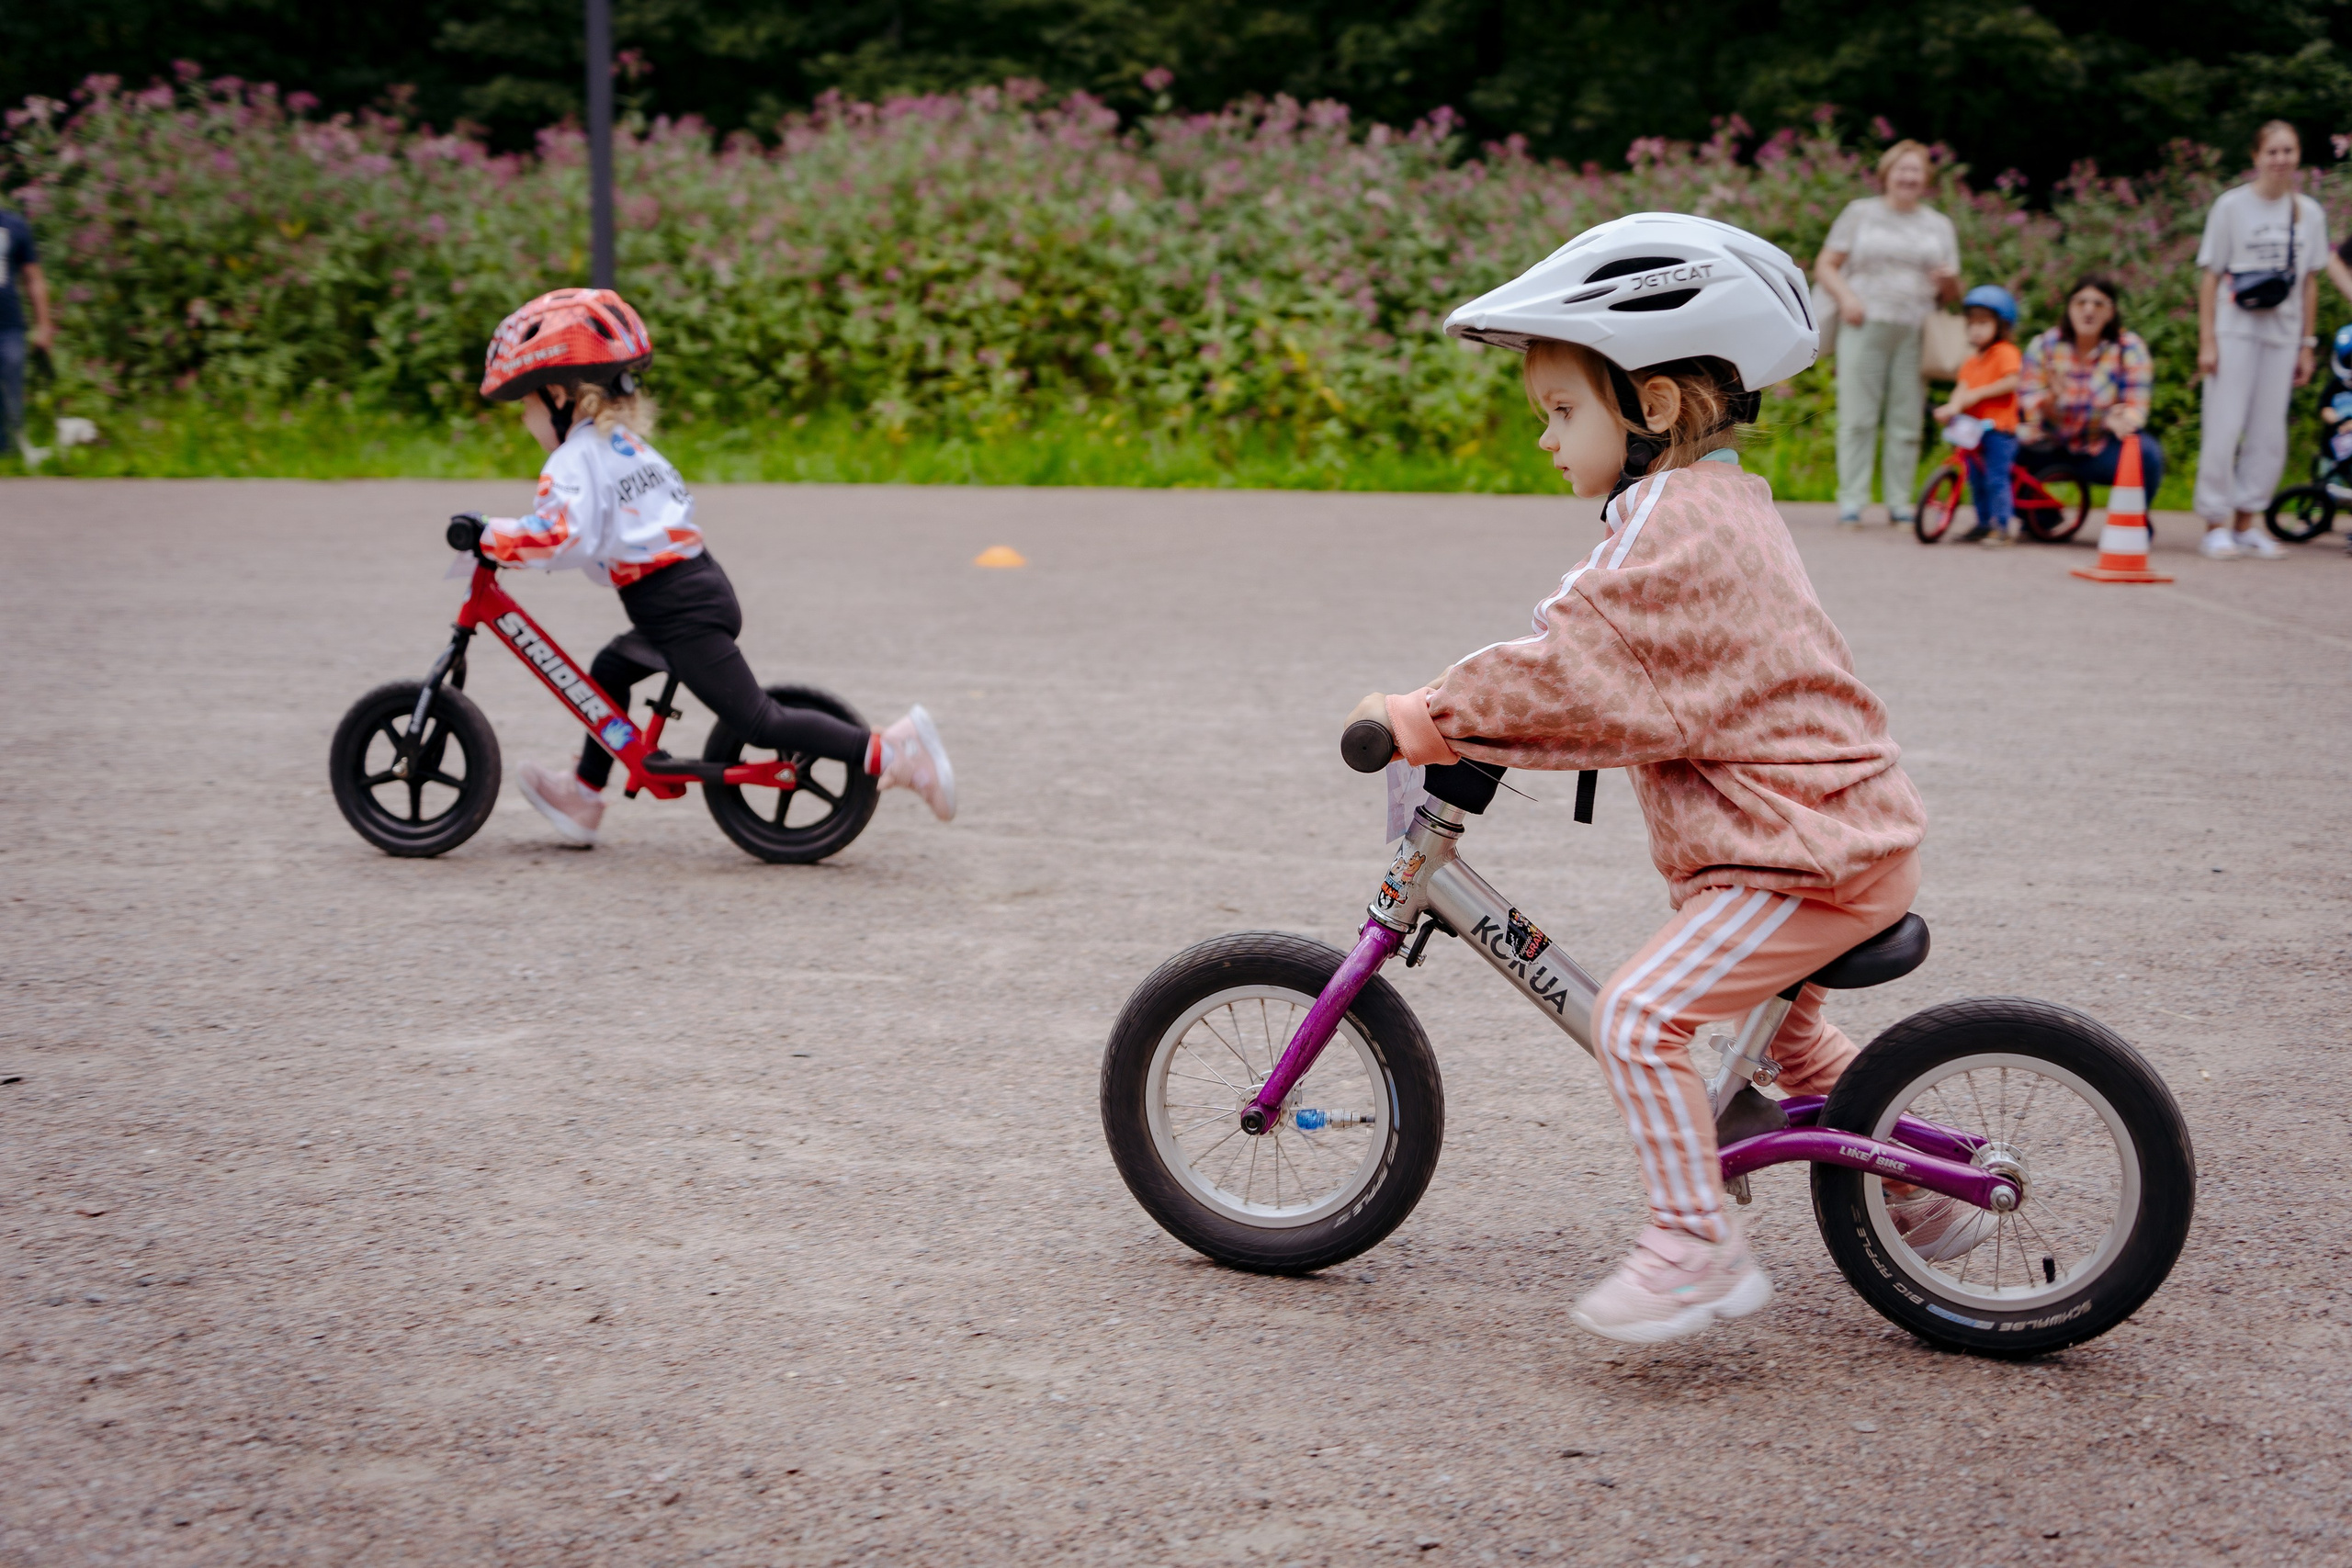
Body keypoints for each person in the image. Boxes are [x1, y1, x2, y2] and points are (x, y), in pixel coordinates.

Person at [1385, 212, 1931, 1345]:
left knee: (1638, 1019)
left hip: (1800, 855)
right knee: (1790, 1046)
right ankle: (1920, 1194)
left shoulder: (1669, 526)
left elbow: (1578, 660)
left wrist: (1422, 716)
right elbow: (1611, 662)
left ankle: (1691, 1245)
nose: (1545, 438)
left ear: (1657, 407)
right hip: (1816, 831)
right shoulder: (1705, 506)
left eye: (1561, 411)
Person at [461, 287, 956, 845]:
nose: (527, 421)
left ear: (557, 394)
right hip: (691, 589)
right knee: (611, 671)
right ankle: (584, 796)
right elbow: (615, 538)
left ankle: (895, 750)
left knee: (759, 722)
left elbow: (560, 537)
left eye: (526, 406)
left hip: (678, 609)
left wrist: (488, 535)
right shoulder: (628, 447)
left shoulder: (572, 460)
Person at [2193, 119, 2325, 560]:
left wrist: (2307, 344)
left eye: (2288, 151)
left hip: (2282, 333)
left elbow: (2309, 282)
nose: (2280, 160)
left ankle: (2248, 520)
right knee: (2224, 424)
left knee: (2269, 433)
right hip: (2235, 329)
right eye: (2272, 151)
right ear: (2256, 157)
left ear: (2298, 156)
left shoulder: (2310, 212)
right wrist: (2207, 341)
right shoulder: (2230, 207)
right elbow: (2211, 276)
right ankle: (2216, 521)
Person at [1815, 141, 1962, 526]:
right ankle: (1852, 500)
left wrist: (1949, 281)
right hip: (1864, 322)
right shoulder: (1860, 213)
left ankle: (1899, 501)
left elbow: (1951, 295)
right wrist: (1847, 297)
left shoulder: (1939, 225)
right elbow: (1826, 265)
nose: (1908, 177)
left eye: (1916, 171)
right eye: (1902, 169)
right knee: (1857, 416)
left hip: (1916, 328)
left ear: (1926, 178)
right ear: (1887, 174)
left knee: (1907, 419)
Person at [2017, 277, 2165, 512]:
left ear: (2111, 312)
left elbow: (2136, 407)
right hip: (2048, 446)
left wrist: (2120, 419)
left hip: (2099, 448)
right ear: (2069, 308)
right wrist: (2050, 399)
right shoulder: (2043, 345)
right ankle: (2040, 519)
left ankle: (2130, 527)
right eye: (2081, 303)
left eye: (2098, 304)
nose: (2088, 310)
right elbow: (2024, 406)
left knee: (2147, 454)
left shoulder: (2130, 348)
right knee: (1997, 445)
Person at [1934, 285, 2023, 545]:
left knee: (1996, 478)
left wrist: (1979, 394)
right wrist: (1951, 408)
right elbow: (1961, 390)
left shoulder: (2005, 352)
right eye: (1972, 323)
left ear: (2002, 325)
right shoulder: (1971, 361)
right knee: (1975, 478)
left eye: (1984, 323)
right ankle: (1984, 523)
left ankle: (2003, 526)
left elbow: (2012, 381)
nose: (1976, 329)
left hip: (1998, 428)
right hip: (1973, 429)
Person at [0, 203, 54, 461]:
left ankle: (9, 453)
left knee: (11, 378)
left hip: (8, 325)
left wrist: (43, 324)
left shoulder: (15, 226)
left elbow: (33, 278)